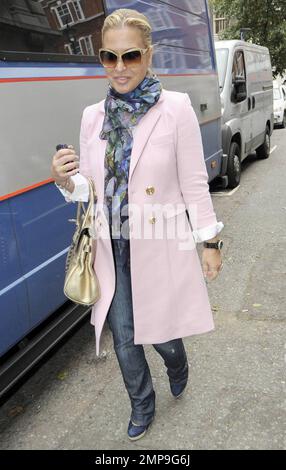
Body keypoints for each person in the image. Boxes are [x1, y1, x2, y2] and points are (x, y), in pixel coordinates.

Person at [51, 8, 224, 441]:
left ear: (148, 55)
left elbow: (193, 180)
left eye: (130, 56)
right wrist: (64, 179)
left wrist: (210, 241)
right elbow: (89, 188)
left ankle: (176, 359)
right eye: (109, 57)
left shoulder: (175, 108)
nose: (120, 67)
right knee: (124, 336)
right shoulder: (93, 116)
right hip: (111, 244)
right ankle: (142, 405)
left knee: (161, 331)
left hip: (160, 239)